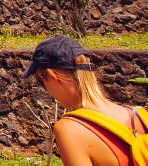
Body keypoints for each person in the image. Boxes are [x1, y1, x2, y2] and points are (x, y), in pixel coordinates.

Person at [23, 35, 147, 166]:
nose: (46, 90)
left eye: (41, 81)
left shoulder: (69, 128)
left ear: (53, 75)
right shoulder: (141, 116)